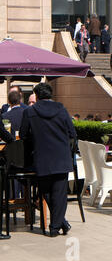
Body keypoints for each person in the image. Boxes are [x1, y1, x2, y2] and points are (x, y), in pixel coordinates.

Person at [19, 83, 76, 237]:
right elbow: (72, 133)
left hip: (41, 158)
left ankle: (57, 225)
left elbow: (24, 136)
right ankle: (57, 226)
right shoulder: (62, 110)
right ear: (51, 95)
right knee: (59, 194)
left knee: (46, 192)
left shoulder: (29, 112)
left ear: (36, 96)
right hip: (61, 157)